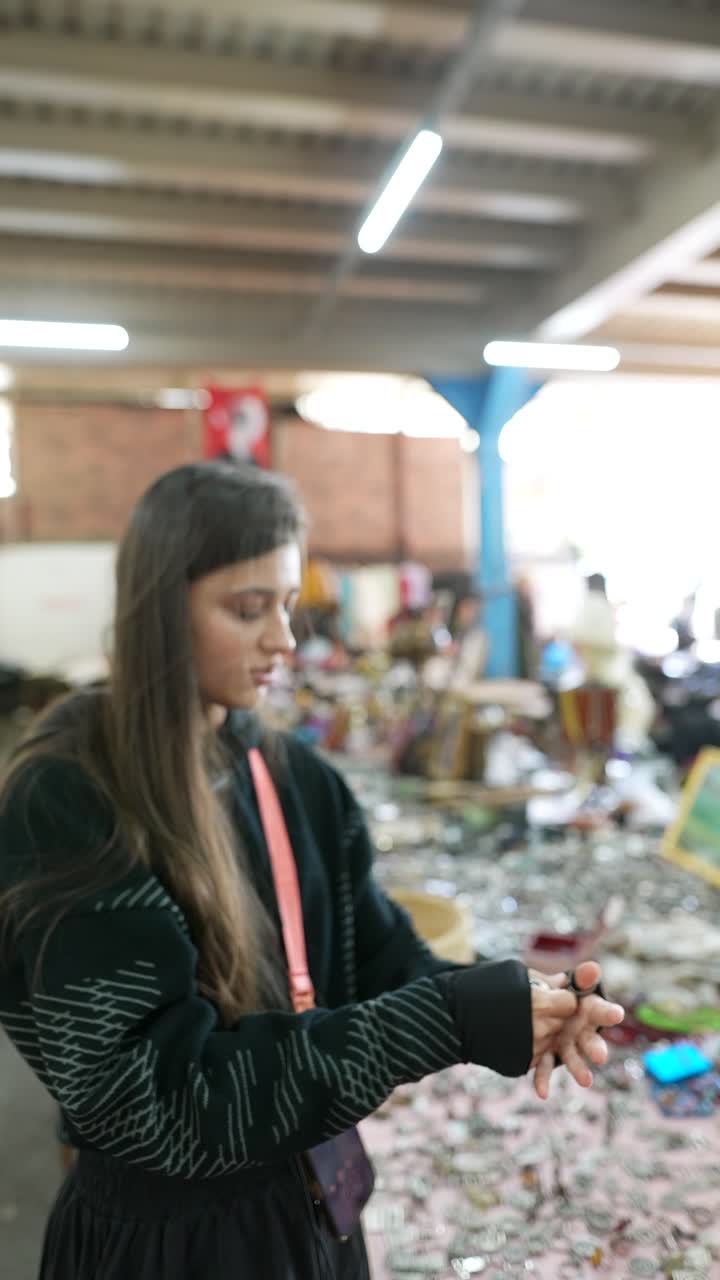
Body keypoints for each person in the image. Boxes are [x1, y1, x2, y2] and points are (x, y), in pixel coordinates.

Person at [0, 462, 623, 1280]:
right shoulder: (70, 796)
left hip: (312, 1202)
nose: (285, 641)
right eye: (247, 609)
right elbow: (155, 1103)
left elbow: (381, 958)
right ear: (158, 609)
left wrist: (515, 1007)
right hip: (170, 1242)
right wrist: (446, 1019)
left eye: (288, 606)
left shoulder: (294, 775)